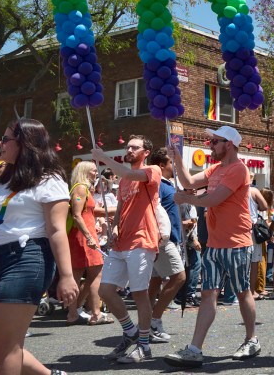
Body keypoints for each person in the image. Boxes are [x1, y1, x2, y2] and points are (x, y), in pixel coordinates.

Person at [0, 118, 78, 375]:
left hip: (28, 258)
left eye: (6, 139)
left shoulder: (49, 179)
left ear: (26, 144)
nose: (0, 144)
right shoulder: (1, 182)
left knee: (8, 348)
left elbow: (57, 230)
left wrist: (66, 276)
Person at [165, 126, 260, 367]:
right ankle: (195, 349)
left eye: (215, 142)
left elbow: (214, 199)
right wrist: (176, 155)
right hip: (215, 244)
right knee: (208, 293)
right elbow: (187, 181)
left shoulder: (238, 169)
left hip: (236, 243)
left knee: (241, 292)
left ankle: (251, 339)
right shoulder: (215, 169)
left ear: (229, 144)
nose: (211, 145)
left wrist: (186, 198)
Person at [92, 135, 162, 363]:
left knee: (139, 293)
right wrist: (113, 228)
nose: (129, 150)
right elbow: (121, 207)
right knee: (105, 291)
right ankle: (131, 332)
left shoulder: (152, 170)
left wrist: (103, 159)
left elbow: (130, 174)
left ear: (146, 152)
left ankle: (144, 346)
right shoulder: (123, 181)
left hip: (142, 240)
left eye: (135, 147)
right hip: (121, 242)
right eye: (127, 147)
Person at [145, 148, 187, 342]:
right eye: (171, 163)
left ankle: (145, 325)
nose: (174, 167)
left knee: (154, 283)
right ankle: (154, 320)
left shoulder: (166, 184)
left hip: (166, 238)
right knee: (179, 277)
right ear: (162, 166)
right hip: (163, 240)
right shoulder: (158, 184)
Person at [65, 161, 110, 326]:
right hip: (83, 236)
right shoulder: (80, 188)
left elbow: (88, 212)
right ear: (84, 171)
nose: (96, 173)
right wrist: (89, 237)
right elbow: (77, 215)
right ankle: (94, 313)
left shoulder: (82, 189)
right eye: (93, 170)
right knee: (95, 273)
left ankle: (73, 313)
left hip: (81, 235)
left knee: (78, 275)